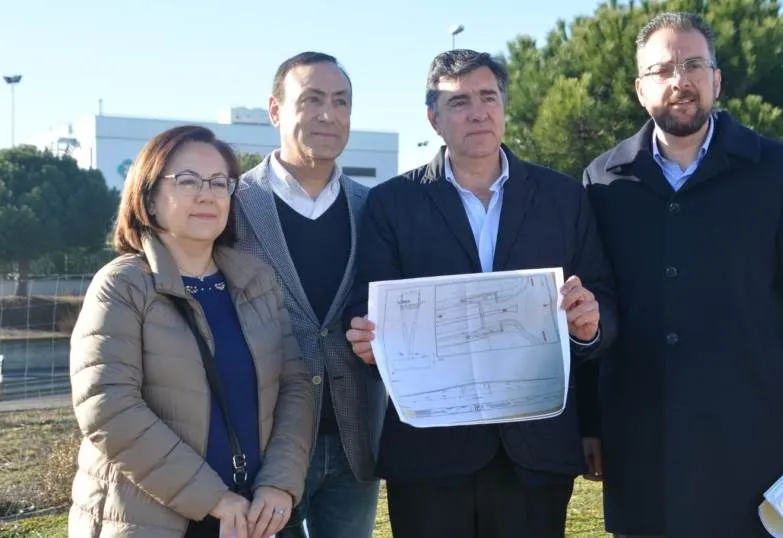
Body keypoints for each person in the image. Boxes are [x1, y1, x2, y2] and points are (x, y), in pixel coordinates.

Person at [582, 12, 783, 537]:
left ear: (717, 79)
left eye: (693, 64)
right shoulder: (602, 181)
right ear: (641, 90)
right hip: (641, 447)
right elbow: (598, 304)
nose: (678, 80)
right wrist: (591, 424)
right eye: (661, 69)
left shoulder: (775, 171)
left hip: (748, 443)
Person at [344, 49, 616, 538]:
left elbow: (605, 301)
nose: (478, 112)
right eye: (459, 102)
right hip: (430, 456)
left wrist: (591, 324)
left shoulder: (563, 197)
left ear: (504, 107)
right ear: (434, 117)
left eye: (488, 97)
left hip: (536, 452)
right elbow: (364, 308)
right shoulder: (391, 203)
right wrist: (365, 337)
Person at [68, 125, 314, 538]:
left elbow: (295, 387)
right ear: (148, 196)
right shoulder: (124, 285)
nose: (207, 194)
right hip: (149, 519)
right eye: (187, 181)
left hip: (252, 517)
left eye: (220, 183)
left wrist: (279, 484)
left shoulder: (255, 281)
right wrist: (212, 498)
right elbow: (107, 407)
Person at [234, 51, 386, 538]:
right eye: (313, 99)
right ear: (275, 110)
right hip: (261, 446)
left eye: (341, 102)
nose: (329, 114)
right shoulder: (231, 205)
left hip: (354, 440)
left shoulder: (375, 208)